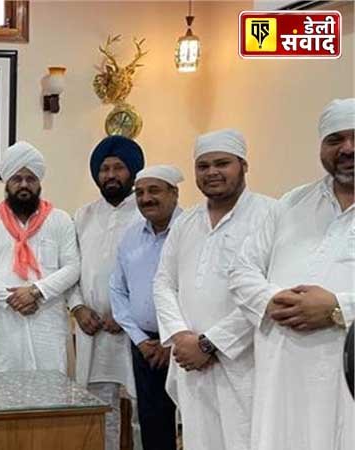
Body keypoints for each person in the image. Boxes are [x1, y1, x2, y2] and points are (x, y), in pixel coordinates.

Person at [229, 98, 355, 450]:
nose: (347, 148)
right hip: (283, 373)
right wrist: (273, 301)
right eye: (335, 139)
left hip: (347, 376)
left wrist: (338, 308)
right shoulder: (291, 203)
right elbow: (242, 270)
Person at [153, 129, 275, 450]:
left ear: (244, 166)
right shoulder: (186, 222)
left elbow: (268, 295)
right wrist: (181, 337)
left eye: (222, 163)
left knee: (246, 440)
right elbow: (163, 282)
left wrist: (210, 344)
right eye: (203, 166)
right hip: (191, 364)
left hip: (244, 364)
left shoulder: (272, 215)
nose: (212, 173)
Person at [0, 141, 80, 374]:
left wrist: (36, 291)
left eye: (30, 179)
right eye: (17, 179)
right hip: (2, 319)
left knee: (49, 389)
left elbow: (72, 267)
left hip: (46, 318)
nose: (23, 185)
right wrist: (12, 299)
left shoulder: (60, 220)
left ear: (39, 182)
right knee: (1, 391)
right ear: (7, 183)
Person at [70, 135, 144, 450]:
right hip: (93, 330)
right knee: (100, 409)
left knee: (144, 409)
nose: (111, 175)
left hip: (137, 332)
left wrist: (126, 316)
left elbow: (158, 275)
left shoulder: (148, 212)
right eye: (104, 169)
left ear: (134, 172)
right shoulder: (82, 216)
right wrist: (77, 308)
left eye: (119, 168)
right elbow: (71, 269)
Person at [109, 165, 183, 450]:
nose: (146, 198)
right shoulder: (131, 237)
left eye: (154, 190)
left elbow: (195, 292)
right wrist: (140, 340)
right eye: (140, 192)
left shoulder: (192, 230)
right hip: (144, 347)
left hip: (187, 346)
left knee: (194, 422)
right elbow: (117, 289)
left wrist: (172, 340)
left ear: (174, 194)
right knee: (153, 423)